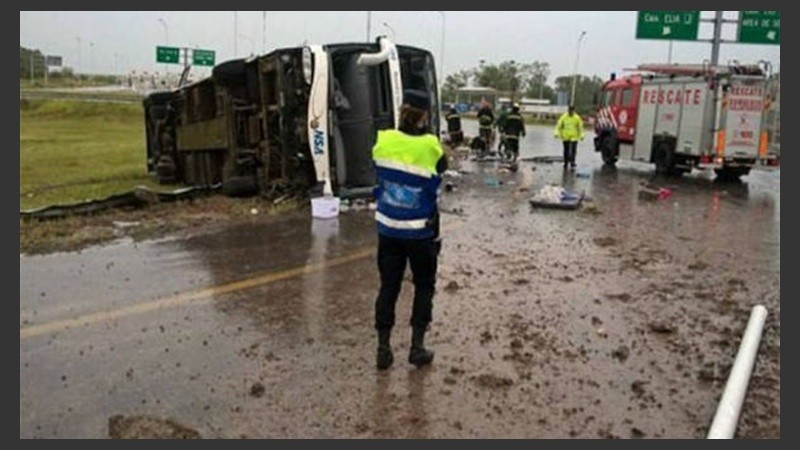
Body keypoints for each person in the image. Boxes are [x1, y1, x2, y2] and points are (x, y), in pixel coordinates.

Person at [372, 89, 447, 370]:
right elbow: (441, 167)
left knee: (388, 286)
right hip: (420, 232)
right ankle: (417, 347)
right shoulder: (430, 145)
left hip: (388, 229)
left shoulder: (383, 140)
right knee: (424, 286)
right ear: (424, 115)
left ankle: (383, 349)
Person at [553, 105, 585, 169]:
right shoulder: (564, 117)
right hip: (566, 136)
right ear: (568, 110)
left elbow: (580, 127)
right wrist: (556, 133)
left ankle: (572, 162)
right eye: (570, 110)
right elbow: (558, 125)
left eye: (572, 111)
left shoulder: (577, 118)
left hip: (574, 137)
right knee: (566, 150)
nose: (571, 112)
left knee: (573, 150)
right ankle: (566, 163)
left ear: (573, 111)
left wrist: (582, 135)